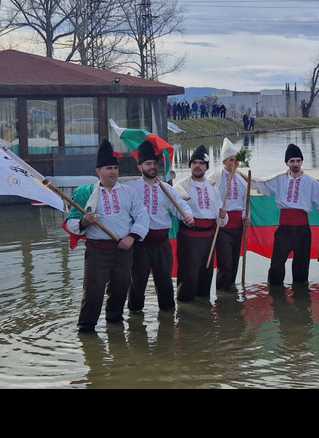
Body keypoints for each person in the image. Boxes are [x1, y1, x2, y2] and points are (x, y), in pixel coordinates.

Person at [64, 138, 149, 332]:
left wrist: (132, 237)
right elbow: (71, 221)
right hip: (97, 251)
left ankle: (115, 326)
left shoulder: (128, 192)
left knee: (119, 291)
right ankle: (86, 329)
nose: (113, 172)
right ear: (98, 171)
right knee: (93, 293)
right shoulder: (85, 193)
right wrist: (83, 222)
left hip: (123, 249)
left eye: (115, 168)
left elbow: (142, 216)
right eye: (108, 168)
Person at [123, 140, 193, 314]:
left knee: (164, 282)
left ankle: (168, 316)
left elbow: (180, 205)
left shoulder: (166, 188)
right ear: (140, 167)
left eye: (154, 163)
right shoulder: (131, 188)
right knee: (137, 283)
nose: (152, 167)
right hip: (140, 244)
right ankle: (135, 315)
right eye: (148, 164)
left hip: (162, 244)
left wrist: (188, 215)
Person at [253, 144, 319, 287]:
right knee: (276, 263)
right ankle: (275, 294)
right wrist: (243, 177)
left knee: (301, 266)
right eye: (292, 161)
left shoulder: (311, 182)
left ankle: (301, 297)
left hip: (302, 229)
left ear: (301, 162)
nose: (295, 164)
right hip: (284, 229)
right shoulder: (279, 179)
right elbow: (261, 185)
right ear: (287, 163)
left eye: (298, 161)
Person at [174, 145, 228, 302]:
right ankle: (185, 310)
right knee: (188, 274)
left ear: (206, 166)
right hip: (189, 238)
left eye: (201, 163)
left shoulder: (212, 187)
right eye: (194, 163)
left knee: (206, 273)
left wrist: (223, 215)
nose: (197, 166)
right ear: (190, 165)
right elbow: (177, 203)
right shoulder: (181, 185)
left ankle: (205, 309)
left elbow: (220, 220)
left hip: (209, 238)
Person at [207, 138, 251, 291]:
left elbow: (245, 201)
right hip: (222, 226)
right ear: (225, 161)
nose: (235, 163)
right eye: (232, 160)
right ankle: (221, 292)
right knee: (225, 263)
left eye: (236, 160)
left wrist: (246, 217)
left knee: (234, 261)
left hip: (237, 226)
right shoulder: (214, 178)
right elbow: (208, 197)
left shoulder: (241, 180)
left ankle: (231, 290)